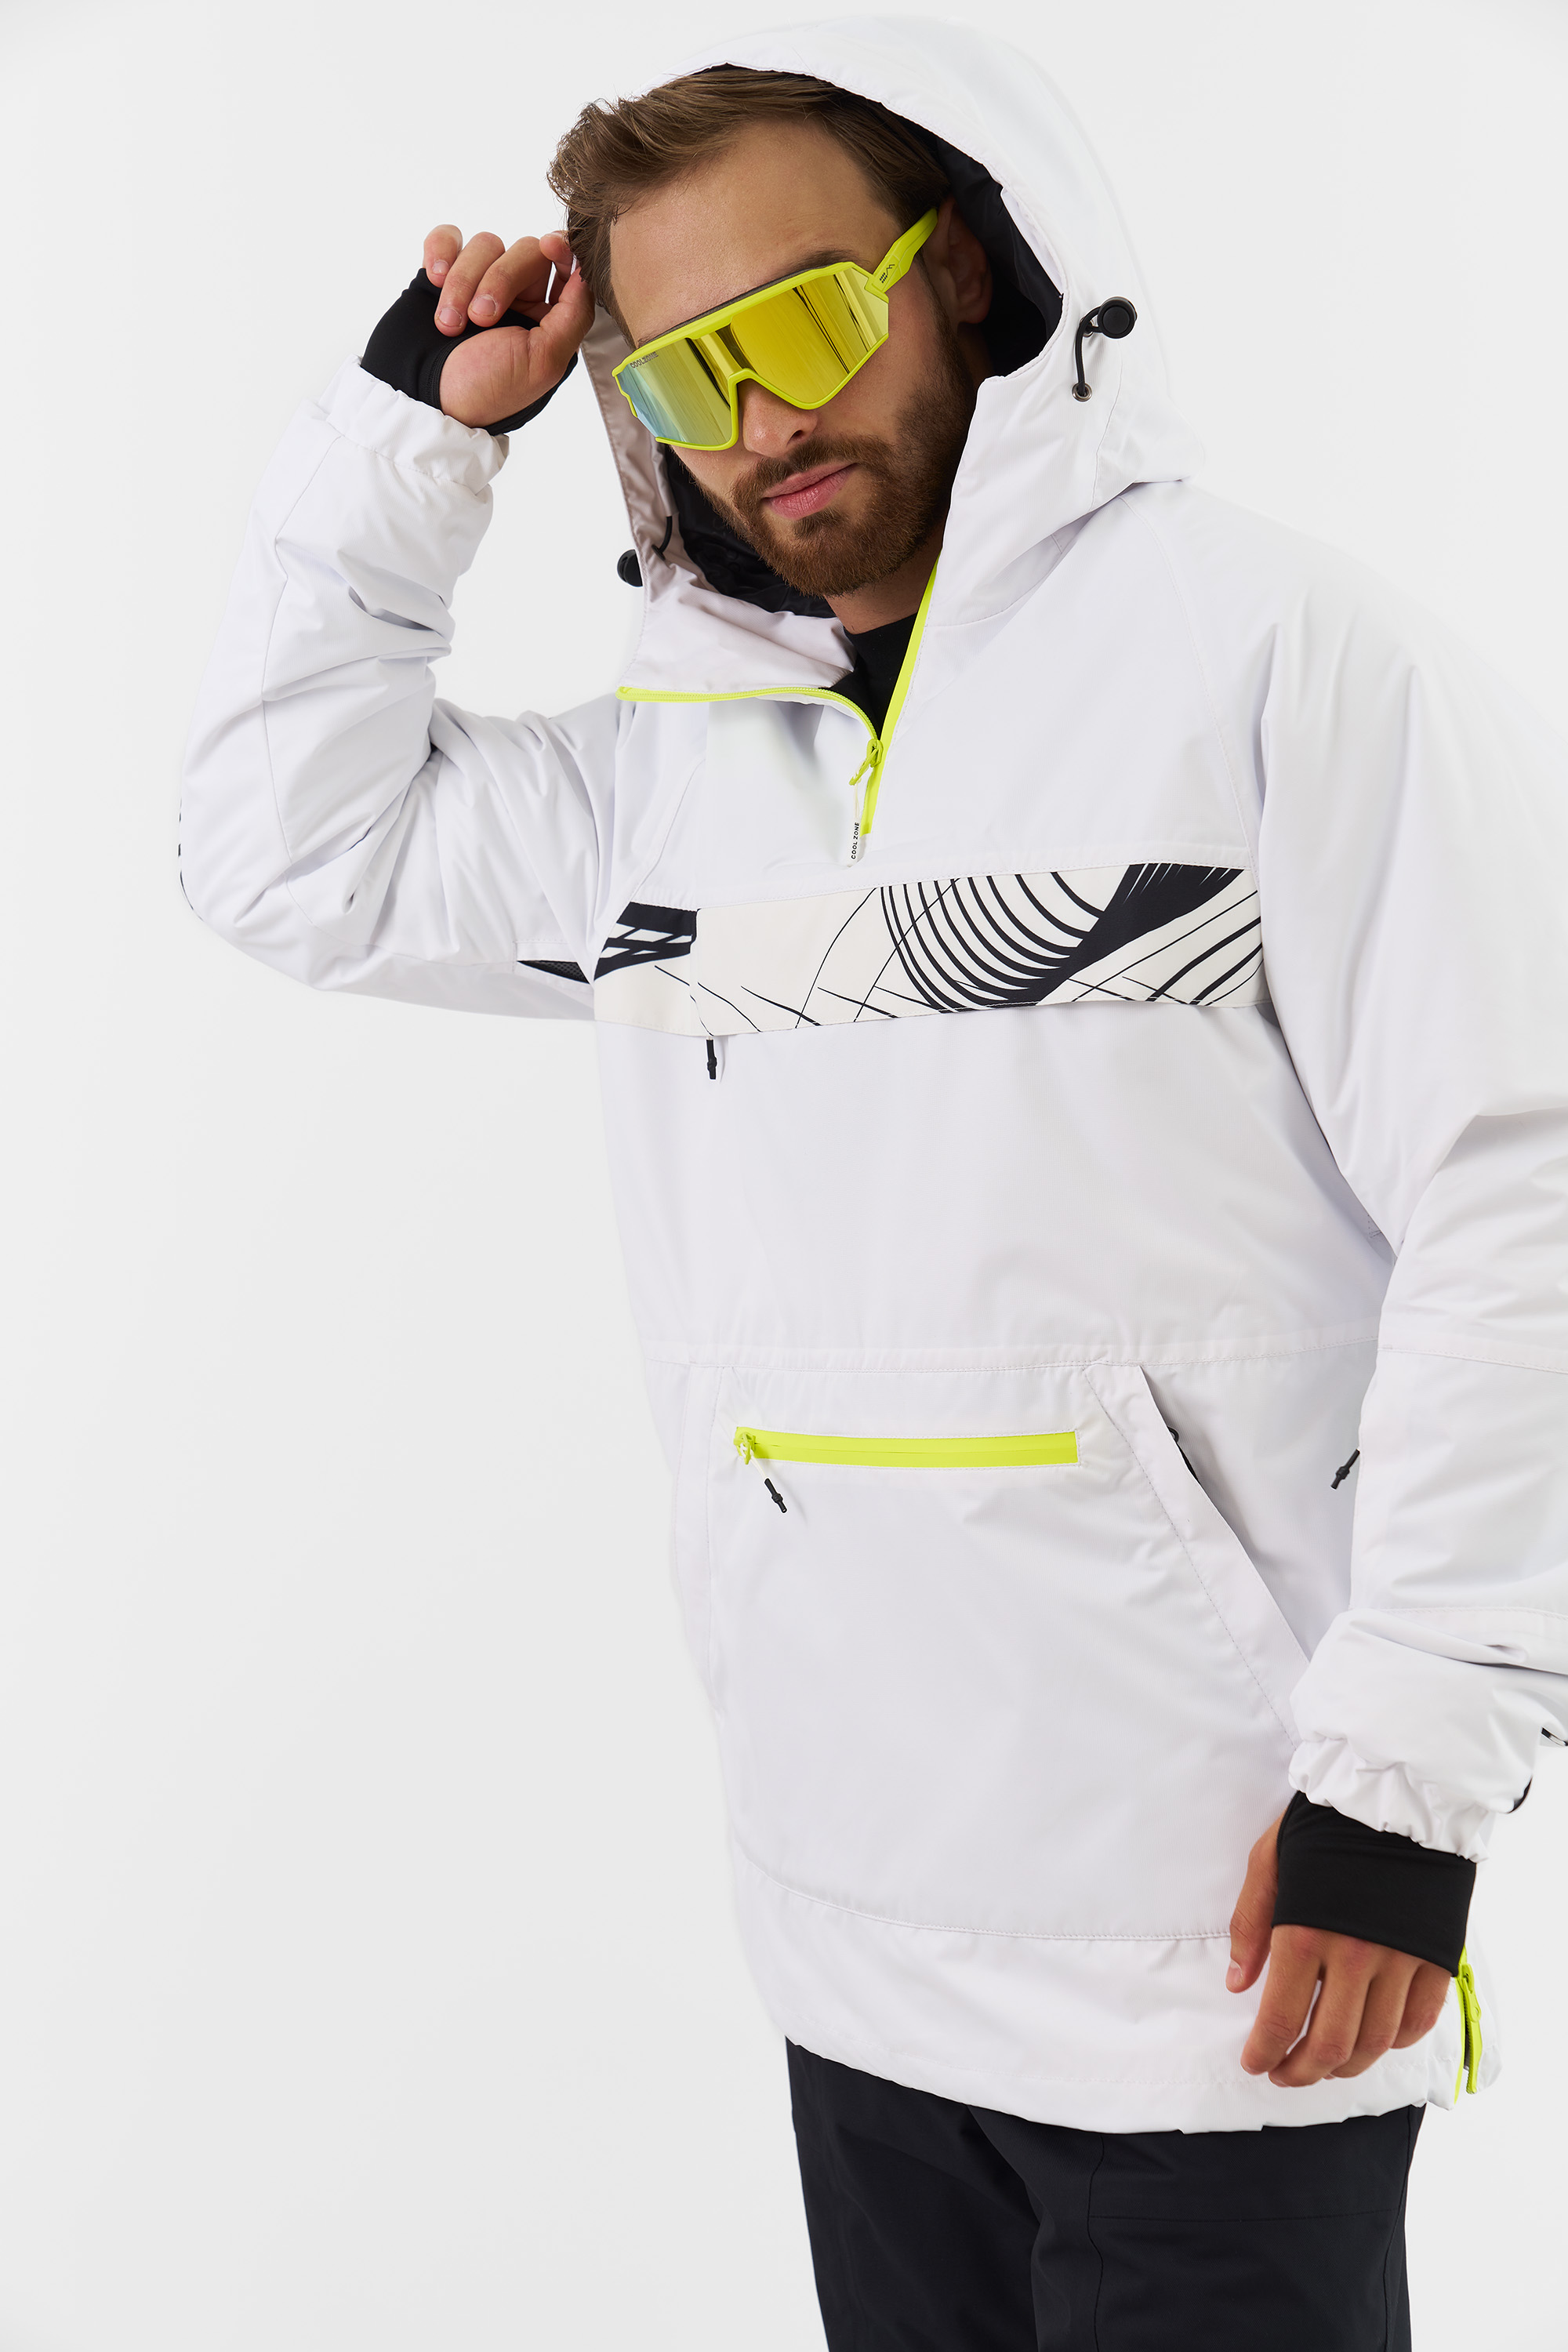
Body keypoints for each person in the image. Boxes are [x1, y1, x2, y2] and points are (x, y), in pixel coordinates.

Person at [180, 21, 1568, 2347]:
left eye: (808, 320)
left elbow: (1522, 1208)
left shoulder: (1272, 661)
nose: (760, 422)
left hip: (1231, 1943)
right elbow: (283, 857)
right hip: (848, 1940)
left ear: (971, 268)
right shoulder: (662, 781)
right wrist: (413, 434)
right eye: (685, 371)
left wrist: (1410, 1786)